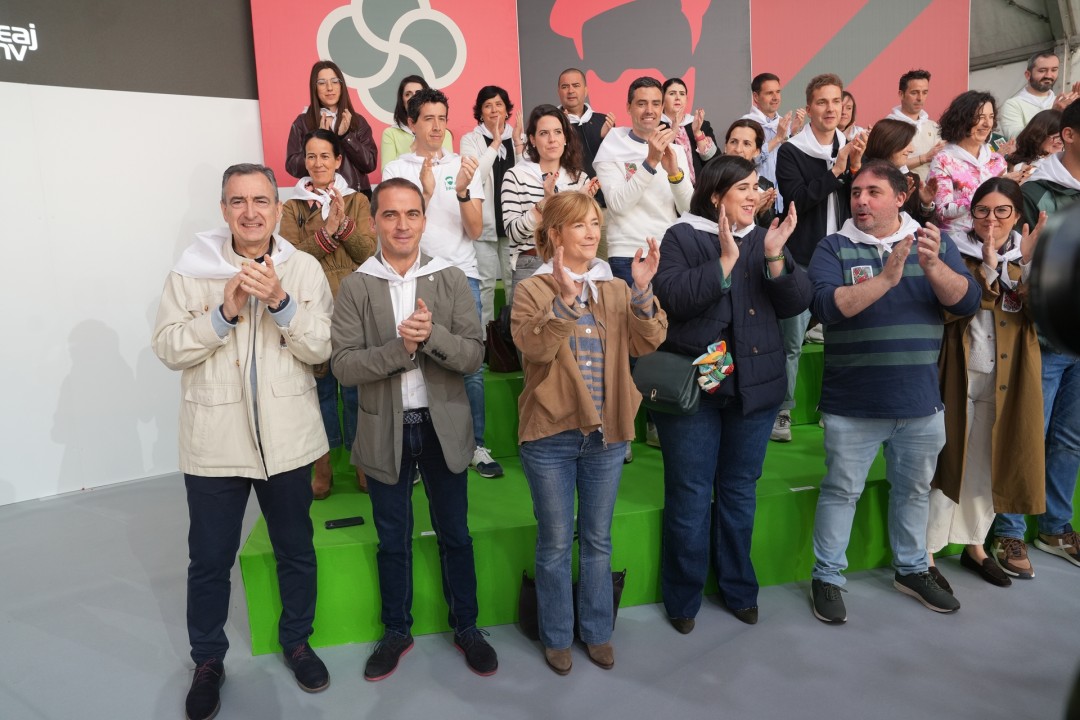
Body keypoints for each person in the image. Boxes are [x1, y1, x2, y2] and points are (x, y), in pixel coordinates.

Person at [153, 164, 333, 720]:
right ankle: (208, 660)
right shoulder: (192, 270)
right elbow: (168, 347)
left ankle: (297, 641)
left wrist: (281, 302)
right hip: (214, 442)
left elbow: (321, 347)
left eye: (260, 201)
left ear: (278, 209)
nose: (250, 212)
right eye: (238, 201)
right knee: (209, 560)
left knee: (295, 549)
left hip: (287, 438)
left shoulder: (303, 269)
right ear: (223, 210)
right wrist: (224, 313)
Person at [330, 177, 498, 681]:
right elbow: (343, 366)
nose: (401, 224)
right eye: (390, 214)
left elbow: (473, 355)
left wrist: (432, 338)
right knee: (392, 538)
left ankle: (466, 626)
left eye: (411, 214)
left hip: (442, 427)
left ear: (424, 220)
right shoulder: (356, 285)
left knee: (456, 534)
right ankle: (396, 630)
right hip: (384, 429)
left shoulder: (450, 278)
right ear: (374, 222)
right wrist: (400, 350)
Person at [807, 160, 980, 624]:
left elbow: (967, 300)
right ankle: (827, 576)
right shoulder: (833, 246)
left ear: (901, 198)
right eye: (856, 192)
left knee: (914, 492)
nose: (861, 200)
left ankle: (912, 569)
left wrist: (933, 266)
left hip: (920, 403)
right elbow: (825, 306)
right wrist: (886, 278)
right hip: (853, 404)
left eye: (873, 192)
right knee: (841, 492)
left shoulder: (933, 242)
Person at [651, 156, 810, 633]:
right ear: (716, 194)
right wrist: (724, 260)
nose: (753, 194)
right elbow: (673, 298)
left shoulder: (765, 239)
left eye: (756, 186)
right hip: (695, 389)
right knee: (690, 493)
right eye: (743, 187)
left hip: (754, 390)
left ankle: (738, 588)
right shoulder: (682, 235)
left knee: (739, 491)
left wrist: (776, 257)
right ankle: (683, 598)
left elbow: (797, 302)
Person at [511, 192, 666, 675]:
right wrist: (564, 300)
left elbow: (649, 340)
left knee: (598, 539)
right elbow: (534, 348)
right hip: (549, 437)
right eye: (579, 224)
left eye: (595, 223)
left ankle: (597, 631)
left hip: (607, 436)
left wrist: (642, 289)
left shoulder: (614, 287)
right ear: (555, 233)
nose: (591, 232)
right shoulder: (532, 288)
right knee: (556, 542)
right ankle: (557, 635)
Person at [926, 177, 1047, 589]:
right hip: (958, 372)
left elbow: (1043, 315)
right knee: (946, 462)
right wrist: (990, 269)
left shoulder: (1028, 255)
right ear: (971, 212)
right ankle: (925, 551)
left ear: (1017, 215)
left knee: (985, 463)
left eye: (1001, 211)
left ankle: (974, 545)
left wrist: (1026, 265)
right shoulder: (952, 250)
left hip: (1007, 379)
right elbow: (951, 308)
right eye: (982, 210)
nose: (990, 220)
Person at [383, 88, 504, 478]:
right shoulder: (396, 170)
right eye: (428, 119)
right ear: (411, 123)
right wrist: (425, 192)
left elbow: (474, 229)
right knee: (418, 362)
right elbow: (395, 232)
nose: (436, 127)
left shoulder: (463, 164)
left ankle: (475, 445)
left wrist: (463, 190)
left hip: (462, 274)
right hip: (413, 275)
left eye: (442, 119)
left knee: (471, 364)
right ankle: (422, 453)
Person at [996, 99, 1080, 575]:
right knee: (1028, 432)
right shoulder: (1035, 190)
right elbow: (1016, 261)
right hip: (1043, 335)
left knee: (1070, 438)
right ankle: (1008, 531)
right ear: (1068, 135)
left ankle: (1055, 526)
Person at [594, 75, 692, 457]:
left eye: (656, 103)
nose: (650, 111)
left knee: (663, 340)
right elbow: (617, 204)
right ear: (629, 107)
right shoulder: (612, 146)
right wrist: (650, 162)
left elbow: (688, 206)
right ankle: (620, 426)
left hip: (669, 254)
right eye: (641, 103)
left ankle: (656, 418)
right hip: (627, 254)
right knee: (627, 345)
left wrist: (673, 168)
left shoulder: (674, 145)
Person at [279, 129, 377, 498]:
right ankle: (322, 467)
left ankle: (362, 462)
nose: (317, 163)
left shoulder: (357, 201)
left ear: (338, 161)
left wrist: (343, 225)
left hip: (352, 306)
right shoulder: (292, 207)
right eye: (311, 156)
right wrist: (327, 232)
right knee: (318, 390)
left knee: (355, 389)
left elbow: (367, 252)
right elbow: (289, 259)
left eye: (325, 156)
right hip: (309, 307)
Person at [773, 73, 865, 442]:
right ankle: (782, 410)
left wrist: (855, 168)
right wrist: (837, 170)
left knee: (842, 340)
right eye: (822, 102)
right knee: (792, 341)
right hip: (802, 256)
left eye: (836, 101)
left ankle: (835, 407)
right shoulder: (792, 151)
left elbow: (860, 200)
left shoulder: (851, 146)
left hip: (843, 254)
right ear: (809, 107)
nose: (831, 108)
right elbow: (798, 199)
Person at [501, 104, 599, 307]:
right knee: (530, 325)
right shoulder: (516, 175)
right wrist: (544, 203)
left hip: (574, 265)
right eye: (544, 133)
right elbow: (514, 233)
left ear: (566, 138)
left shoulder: (580, 178)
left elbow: (582, 233)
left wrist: (580, 202)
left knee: (575, 325)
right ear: (532, 140)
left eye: (557, 132)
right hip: (531, 263)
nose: (552, 139)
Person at [459, 85, 523, 324]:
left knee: (514, 284)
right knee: (485, 285)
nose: (494, 110)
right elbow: (475, 176)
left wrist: (518, 144)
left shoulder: (519, 137)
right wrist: (495, 143)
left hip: (513, 226)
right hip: (484, 226)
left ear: (507, 110)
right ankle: (485, 339)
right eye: (488, 105)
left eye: (499, 104)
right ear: (480, 112)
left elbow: (526, 177)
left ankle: (514, 337)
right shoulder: (470, 139)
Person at [285, 60, 377, 197]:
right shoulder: (302, 122)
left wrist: (346, 136)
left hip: (356, 196)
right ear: (314, 87)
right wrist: (318, 141)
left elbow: (369, 164)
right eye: (322, 83)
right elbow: (292, 166)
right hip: (318, 196)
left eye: (334, 81)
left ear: (341, 85)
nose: (329, 88)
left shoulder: (357, 121)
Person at [929, 91, 1011, 236]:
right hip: (957, 240)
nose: (987, 124)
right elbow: (942, 211)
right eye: (980, 117)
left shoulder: (997, 161)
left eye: (991, 117)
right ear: (962, 120)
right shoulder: (943, 160)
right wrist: (984, 192)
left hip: (994, 237)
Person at [744, 72, 806, 214]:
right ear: (756, 97)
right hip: (757, 200)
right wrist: (777, 138)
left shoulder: (784, 123)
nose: (775, 97)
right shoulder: (746, 124)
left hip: (784, 200)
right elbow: (748, 159)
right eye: (769, 93)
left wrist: (793, 134)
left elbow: (793, 162)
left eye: (778, 92)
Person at [863, 119, 938, 223]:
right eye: (906, 144)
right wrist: (898, 203)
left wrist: (926, 205)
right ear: (888, 144)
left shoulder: (912, 179)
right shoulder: (862, 178)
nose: (912, 149)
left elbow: (921, 226)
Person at [998, 51, 1080, 140]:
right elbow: (1017, 140)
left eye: (1054, 70)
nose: (1049, 75)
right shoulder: (1012, 104)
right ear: (1028, 75)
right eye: (1042, 70)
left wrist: (1076, 109)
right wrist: (1053, 114)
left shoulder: (1063, 103)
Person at [381, 75, 453, 170]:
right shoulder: (390, 133)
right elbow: (387, 171)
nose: (413, 98)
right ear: (402, 100)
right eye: (408, 94)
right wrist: (413, 149)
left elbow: (448, 167)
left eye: (418, 93)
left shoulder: (442, 133)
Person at [886, 69, 945, 181]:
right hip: (901, 188)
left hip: (932, 189)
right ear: (901, 94)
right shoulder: (889, 126)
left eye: (925, 92)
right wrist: (924, 158)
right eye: (914, 93)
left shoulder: (933, 126)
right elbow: (887, 165)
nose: (920, 98)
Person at [724, 118, 778, 227]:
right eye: (733, 142)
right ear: (725, 146)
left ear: (757, 151)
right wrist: (752, 209)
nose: (738, 149)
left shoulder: (764, 186)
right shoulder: (711, 176)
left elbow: (766, 231)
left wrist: (762, 211)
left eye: (746, 144)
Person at [661, 77, 717, 181]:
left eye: (682, 94)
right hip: (667, 186)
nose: (678, 97)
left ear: (686, 99)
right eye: (672, 93)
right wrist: (674, 130)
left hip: (699, 187)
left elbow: (714, 161)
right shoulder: (656, 126)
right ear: (662, 99)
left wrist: (697, 133)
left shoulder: (701, 124)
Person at [1004, 108, 1063, 172]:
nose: (1061, 142)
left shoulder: (1064, 162)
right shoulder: (1019, 165)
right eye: (1057, 137)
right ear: (1039, 135)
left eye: (1064, 138)